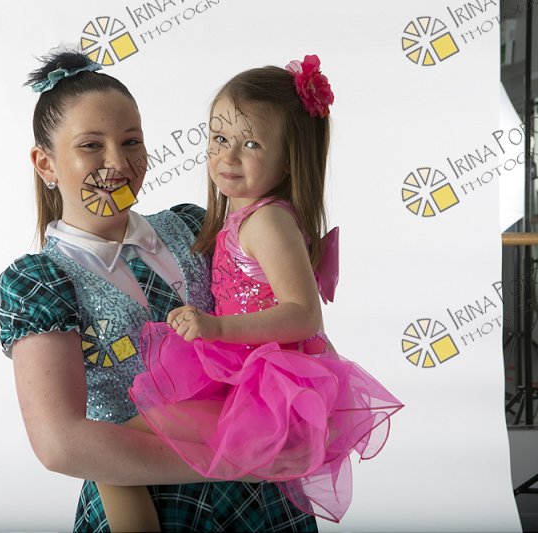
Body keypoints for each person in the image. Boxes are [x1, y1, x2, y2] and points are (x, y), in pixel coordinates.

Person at [0, 49, 318, 532]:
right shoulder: (39, 282)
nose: (117, 163)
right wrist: (231, 460)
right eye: (90, 145)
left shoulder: (194, 227)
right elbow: (60, 444)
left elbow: (267, 313)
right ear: (46, 164)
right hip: (147, 497)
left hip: (260, 487)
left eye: (131, 141)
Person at [128, 55, 405, 523]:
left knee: (127, 438)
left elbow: (303, 314)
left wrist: (216, 328)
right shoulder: (242, 216)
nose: (228, 156)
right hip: (241, 370)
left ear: (289, 158)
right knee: (136, 439)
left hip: (267, 384)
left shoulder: (267, 221)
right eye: (220, 139)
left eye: (251, 143)